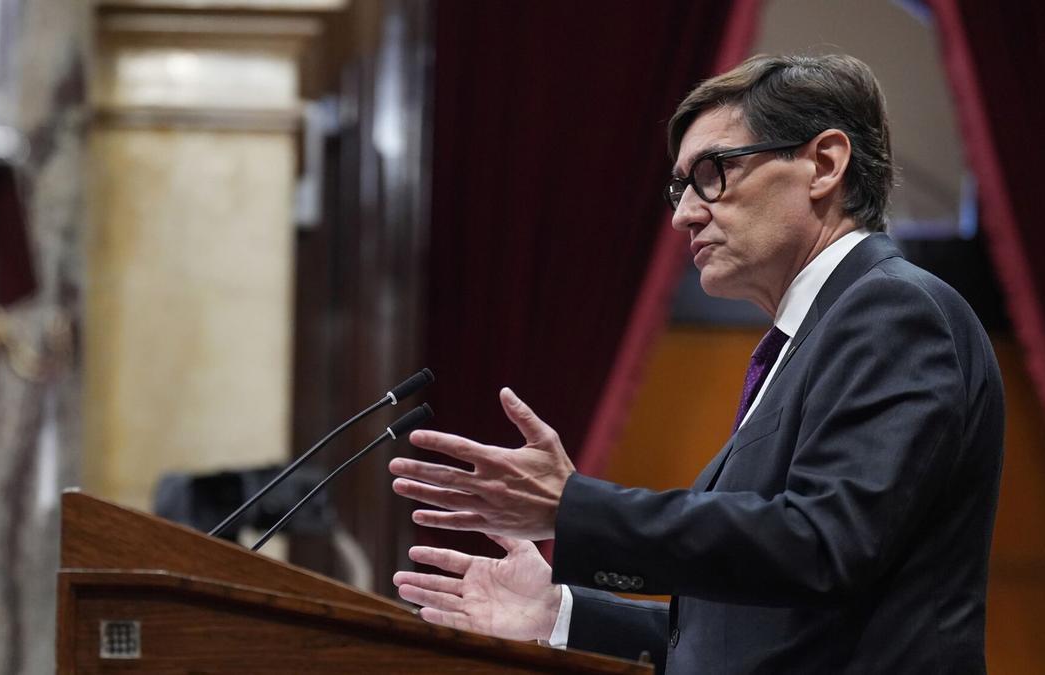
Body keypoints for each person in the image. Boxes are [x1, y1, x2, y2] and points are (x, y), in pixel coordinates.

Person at [387, 53, 1004, 673]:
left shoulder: (895, 311)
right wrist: (562, 615)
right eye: (679, 187)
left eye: (712, 172)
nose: (684, 213)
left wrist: (573, 509)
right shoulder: (815, 335)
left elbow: (820, 547)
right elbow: (768, 629)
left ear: (823, 164)